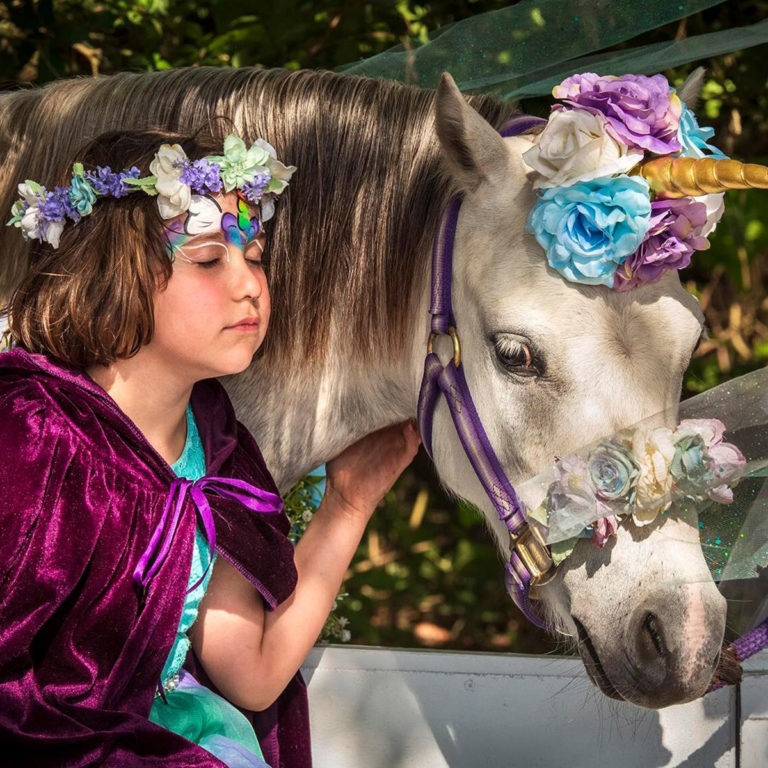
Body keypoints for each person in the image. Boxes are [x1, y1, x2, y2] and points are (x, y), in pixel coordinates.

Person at [0, 128, 420, 767]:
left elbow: (249, 674)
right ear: (116, 273)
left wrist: (349, 503)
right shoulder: (31, 432)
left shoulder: (216, 450)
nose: (249, 284)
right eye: (206, 260)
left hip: (179, 735)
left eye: (254, 256)